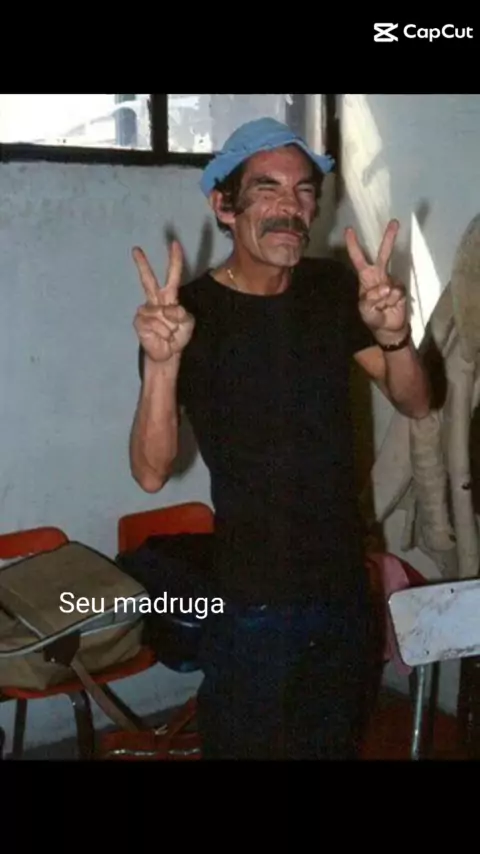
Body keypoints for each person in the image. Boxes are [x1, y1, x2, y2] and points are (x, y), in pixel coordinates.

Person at [128, 117, 431, 759]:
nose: (290, 208)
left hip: (344, 590)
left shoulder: (333, 289)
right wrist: (161, 364)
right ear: (225, 206)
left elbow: (415, 400)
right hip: (251, 601)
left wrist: (394, 338)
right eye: (267, 189)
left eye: (303, 191)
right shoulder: (187, 316)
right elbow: (152, 472)